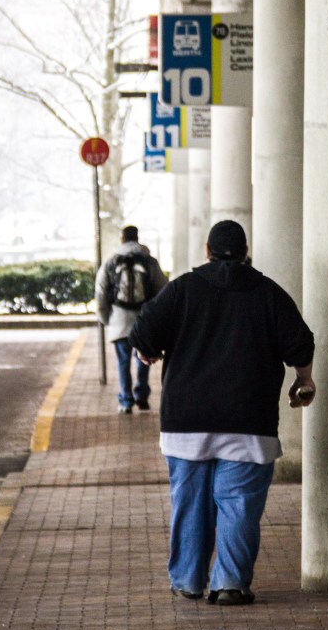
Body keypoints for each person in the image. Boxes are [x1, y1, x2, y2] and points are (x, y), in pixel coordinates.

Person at [129, 219, 315, 607]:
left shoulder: (182, 289)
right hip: (249, 421)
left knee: (190, 502)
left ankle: (187, 580)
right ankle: (229, 583)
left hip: (186, 421)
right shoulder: (268, 293)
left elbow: (143, 332)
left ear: (207, 251)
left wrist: (149, 352)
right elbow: (300, 343)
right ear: (246, 253)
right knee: (239, 504)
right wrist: (304, 381)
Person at [95, 225, 168, 415]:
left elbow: (101, 292)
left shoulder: (111, 262)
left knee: (123, 361)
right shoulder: (149, 262)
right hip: (143, 320)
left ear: (122, 239)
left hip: (119, 320)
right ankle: (142, 396)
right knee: (142, 359)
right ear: (137, 238)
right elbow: (163, 290)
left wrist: (105, 318)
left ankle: (126, 400)